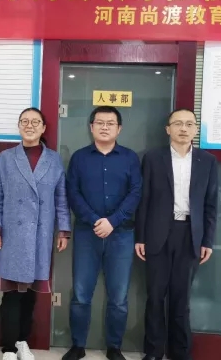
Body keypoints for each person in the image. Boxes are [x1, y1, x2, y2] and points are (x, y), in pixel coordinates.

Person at [0, 107, 71, 360]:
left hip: (40, 235)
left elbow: (61, 198)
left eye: (36, 122)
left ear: (43, 128)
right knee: (12, 295)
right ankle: (8, 348)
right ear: (19, 126)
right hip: (12, 235)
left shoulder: (53, 160)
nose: (30, 125)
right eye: (25, 121)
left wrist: (63, 230)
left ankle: (22, 341)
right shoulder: (6, 158)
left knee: (31, 295)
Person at [135, 108, 218, 360]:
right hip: (158, 233)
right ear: (168, 129)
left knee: (182, 299)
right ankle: (153, 351)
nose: (183, 128)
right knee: (155, 296)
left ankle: (180, 352)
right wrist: (140, 237)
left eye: (189, 124)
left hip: (190, 234)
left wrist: (207, 240)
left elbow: (211, 204)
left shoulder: (208, 161)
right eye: (178, 123)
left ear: (196, 129)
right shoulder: (153, 158)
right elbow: (144, 200)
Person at [63, 106, 142, 360]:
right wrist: (95, 220)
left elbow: (136, 193)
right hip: (87, 234)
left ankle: (114, 347)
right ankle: (78, 345)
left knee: (119, 297)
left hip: (121, 235)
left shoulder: (130, 158)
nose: (105, 127)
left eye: (110, 123)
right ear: (91, 127)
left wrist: (113, 221)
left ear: (119, 128)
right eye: (100, 122)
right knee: (81, 294)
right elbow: (72, 193)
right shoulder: (79, 158)